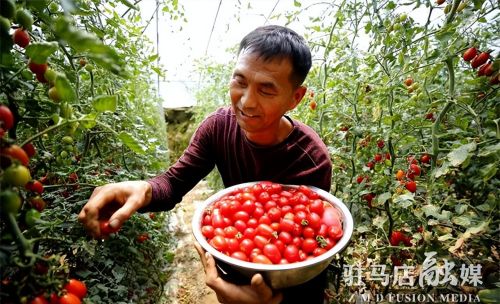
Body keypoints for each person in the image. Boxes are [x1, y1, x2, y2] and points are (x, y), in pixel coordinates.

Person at [78, 25, 332, 304]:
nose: (246, 101)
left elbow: (308, 252)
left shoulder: (310, 160)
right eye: (240, 81)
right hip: (240, 257)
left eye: (267, 90)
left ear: (295, 98)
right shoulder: (218, 127)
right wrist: (144, 190)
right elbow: (174, 184)